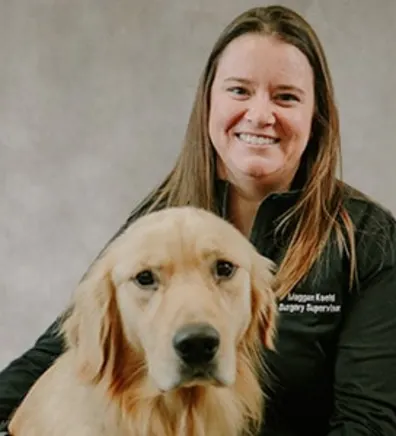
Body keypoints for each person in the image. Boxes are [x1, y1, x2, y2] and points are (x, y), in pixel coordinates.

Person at [1, 4, 396, 436]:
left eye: (286, 96)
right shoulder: (160, 218)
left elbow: (369, 423)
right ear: (209, 101)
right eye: (239, 91)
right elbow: (65, 346)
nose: (261, 115)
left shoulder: (367, 239)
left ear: (315, 115)